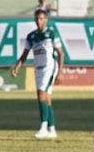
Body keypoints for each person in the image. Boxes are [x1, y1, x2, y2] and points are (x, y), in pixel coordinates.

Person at [10, 9, 65, 139]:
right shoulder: (31, 36)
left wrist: (60, 72)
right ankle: (52, 129)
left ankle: (43, 127)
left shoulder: (51, 34)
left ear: (46, 19)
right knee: (46, 98)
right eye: (37, 19)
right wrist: (17, 67)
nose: (38, 21)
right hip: (38, 68)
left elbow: (61, 53)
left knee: (41, 94)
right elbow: (24, 54)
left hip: (50, 67)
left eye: (41, 19)